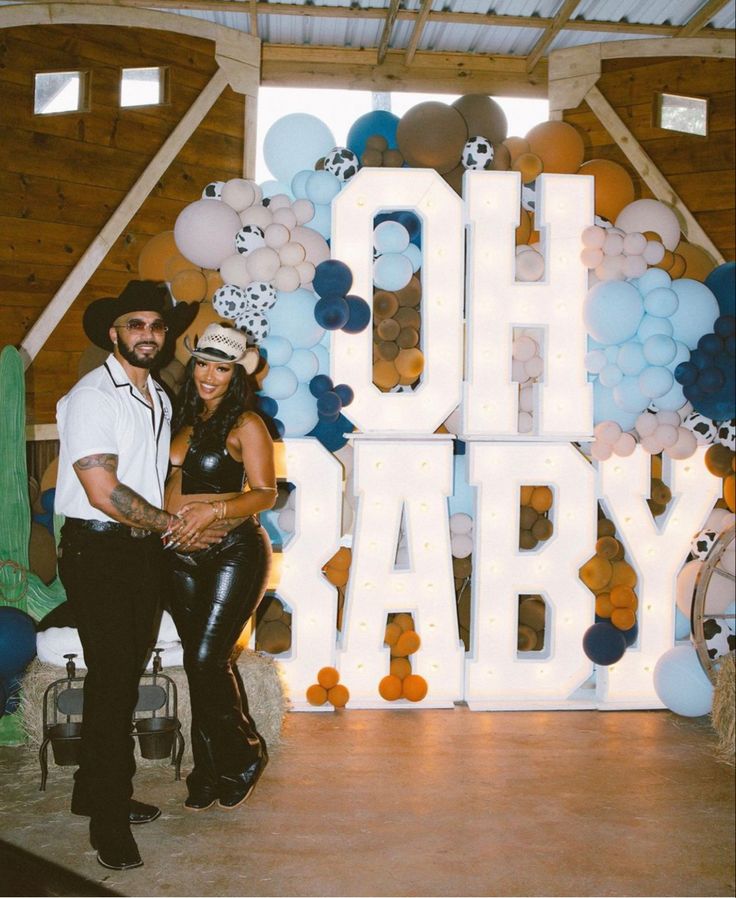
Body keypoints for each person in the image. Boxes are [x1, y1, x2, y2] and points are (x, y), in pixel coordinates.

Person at [54, 280, 215, 871]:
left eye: (155, 325)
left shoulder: (159, 395)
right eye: (134, 325)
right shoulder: (94, 395)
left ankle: (91, 790)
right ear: (114, 333)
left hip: (140, 549)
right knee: (115, 680)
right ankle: (107, 820)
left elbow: (151, 476)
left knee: (120, 670)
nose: (147, 334)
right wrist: (173, 525)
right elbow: (103, 492)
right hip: (99, 550)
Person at [164, 322, 277, 813]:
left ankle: (243, 754)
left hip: (232, 552)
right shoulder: (179, 417)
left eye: (222, 367)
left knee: (207, 660)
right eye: (204, 364)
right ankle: (207, 769)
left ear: (237, 374)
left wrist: (213, 511)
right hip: (175, 555)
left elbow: (265, 492)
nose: (210, 375)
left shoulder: (246, 424)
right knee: (198, 665)